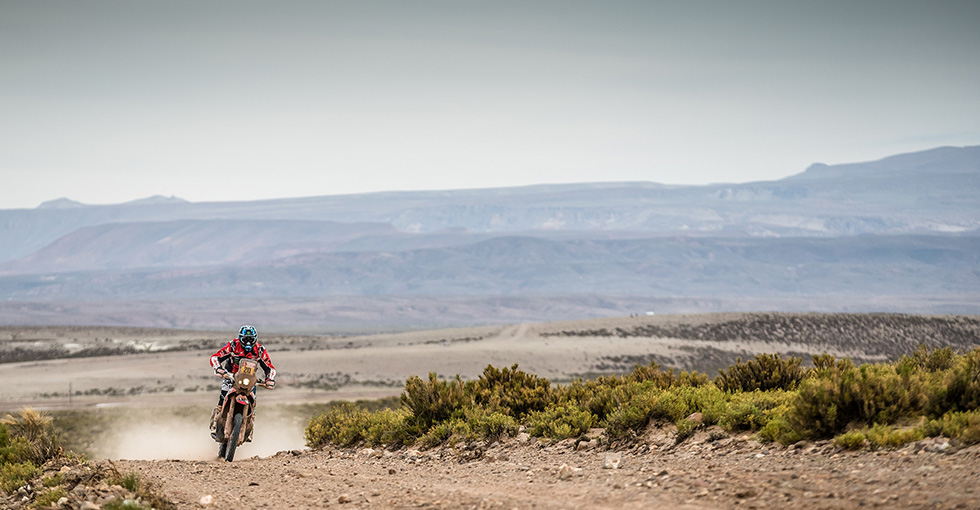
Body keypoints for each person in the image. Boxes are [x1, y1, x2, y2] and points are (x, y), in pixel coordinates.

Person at [209, 325, 277, 440]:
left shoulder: (260, 350)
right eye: (246, 339)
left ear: (255, 338)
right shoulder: (233, 345)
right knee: (223, 394)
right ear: (240, 338)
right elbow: (216, 357)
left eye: (251, 339)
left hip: (249, 380)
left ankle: (250, 427)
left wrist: (269, 379)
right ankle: (216, 421)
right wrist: (218, 368)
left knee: (253, 401)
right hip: (231, 376)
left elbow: (269, 367)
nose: (248, 342)